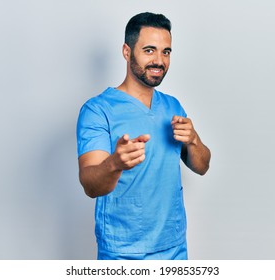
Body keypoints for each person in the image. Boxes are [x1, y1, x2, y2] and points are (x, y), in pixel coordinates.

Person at [76, 12, 211, 260]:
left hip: (173, 246)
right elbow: (90, 184)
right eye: (149, 50)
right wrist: (114, 164)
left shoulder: (173, 106)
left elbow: (202, 166)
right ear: (127, 52)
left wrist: (194, 141)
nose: (159, 60)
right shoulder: (98, 110)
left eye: (166, 52)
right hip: (122, 251)